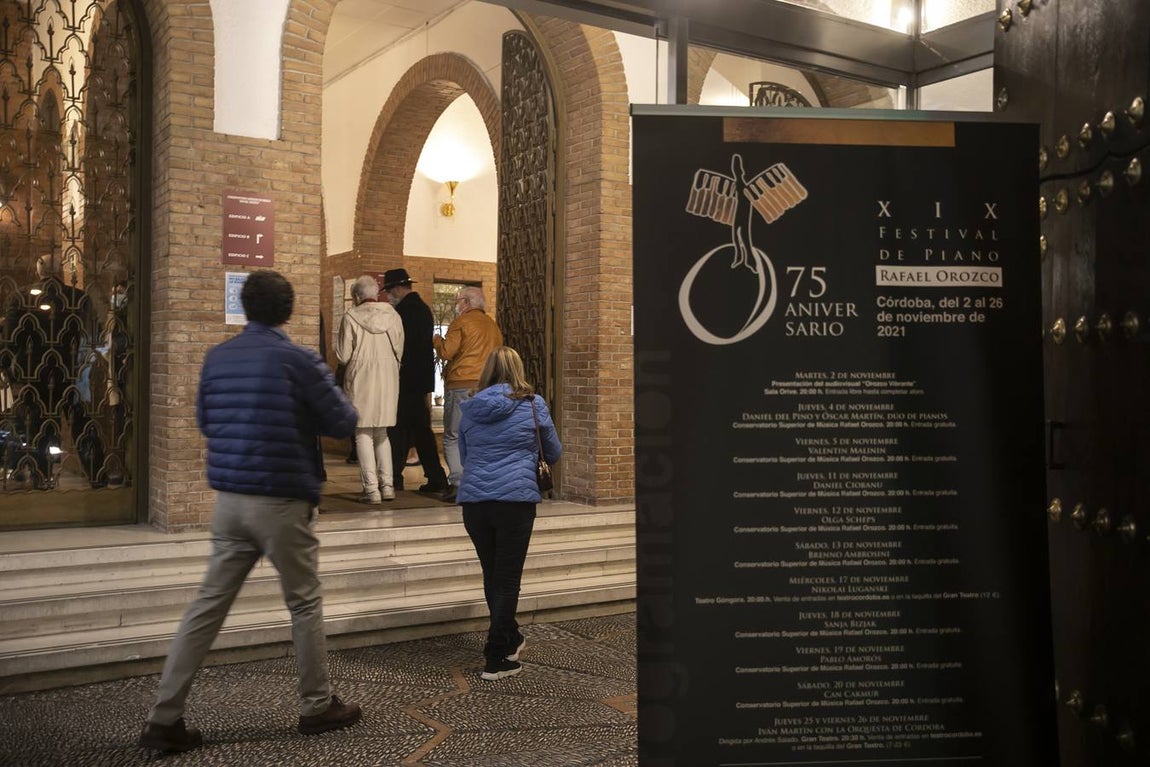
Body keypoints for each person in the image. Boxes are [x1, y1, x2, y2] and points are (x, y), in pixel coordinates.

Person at [139, 270, 362, 754]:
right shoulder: (298, 360)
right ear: (288, 310)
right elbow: (343, 420)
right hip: (281, 499)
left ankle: (164, 717)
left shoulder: (218, 357)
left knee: (207, 606)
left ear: (245, 307)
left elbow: (204, 418)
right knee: (303, 601)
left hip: (230, 501)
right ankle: (317, 705)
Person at [458, 346, 561, 680]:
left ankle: (510, 635)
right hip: (514, 501)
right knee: (507, 578)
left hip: (475, 503)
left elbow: (463, 453)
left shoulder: (470, 407)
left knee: (493, 574)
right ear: (519, 369)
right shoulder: (533, 405)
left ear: (487, 370)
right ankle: (497, 654)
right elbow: (554, 451)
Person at [336, 274, 404, 503]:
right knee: (382, 433)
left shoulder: (351, 317)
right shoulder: (393, 315)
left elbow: (343, 355)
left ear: (356, 296)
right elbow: (399, 349)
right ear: (377, 294)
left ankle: (372, 489)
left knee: (362, 433)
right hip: (388, 376)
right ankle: (388, 487)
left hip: (361, 377)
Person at [433, 286, 502, 503]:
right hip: (486, 387)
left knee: (453, 435)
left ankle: (458, 483)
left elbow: (447, 352)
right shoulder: (493, 326)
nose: (457, 305)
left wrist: (436, 339)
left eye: (458, 301)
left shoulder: (461, 322)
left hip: (461, 385)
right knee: (478, 436)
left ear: (466, 302)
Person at [382, 268, 448, 494]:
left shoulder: (402, 312)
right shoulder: (423, 309)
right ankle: (437, 477)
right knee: (422, 431)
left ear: (398, 288)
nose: (389, 296)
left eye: (389, 291)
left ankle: (393, 478)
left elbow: (400, 348)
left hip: (404, 380)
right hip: (420, 381)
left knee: (398, 430)